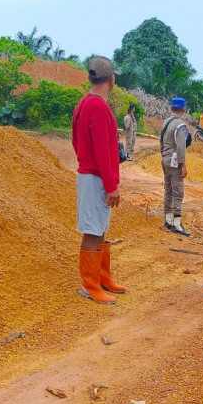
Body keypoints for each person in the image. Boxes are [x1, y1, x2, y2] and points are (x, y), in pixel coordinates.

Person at [71, 56, 125, 305]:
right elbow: (104, 150)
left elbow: (75, 141)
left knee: (99, 227)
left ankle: (102, 277)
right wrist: (111, 184)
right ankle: (90, 284)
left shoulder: (84, 104)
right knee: (93, 231)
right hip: (95, 177)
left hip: (90, 174)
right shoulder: (100, 107)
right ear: (111, 79)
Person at [161, 97, 191, 236]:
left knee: (168, 190)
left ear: (171, 108)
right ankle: (177, 224)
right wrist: (183, 164)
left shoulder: (166, 122)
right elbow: (181, 147)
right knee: (178, 192)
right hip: (174, 161)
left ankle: (168, 220)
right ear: (183, 110)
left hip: (165, 159)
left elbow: (161, 142)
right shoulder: (181, 125)